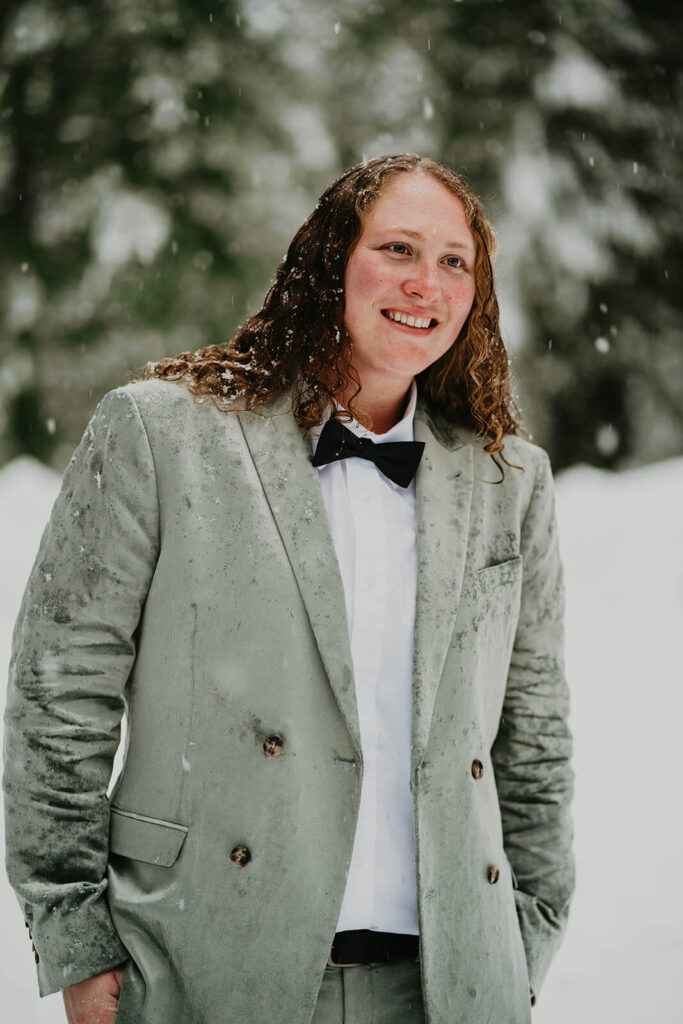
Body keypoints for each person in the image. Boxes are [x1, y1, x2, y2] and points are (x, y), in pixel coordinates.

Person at [3, 153, 574, 1024]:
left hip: (451, 988)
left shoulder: (510, 481)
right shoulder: (160, 435)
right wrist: (76, 938)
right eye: (397, 249)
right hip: (205, 964)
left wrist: (520, 942)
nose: (426, 282)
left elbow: (533, 743)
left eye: (454, 261)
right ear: (329, 262)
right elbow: (58, 697)